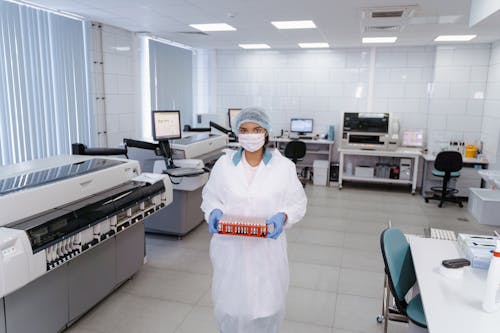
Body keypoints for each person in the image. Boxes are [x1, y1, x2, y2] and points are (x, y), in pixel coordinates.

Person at [201, 107, 307, 333]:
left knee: (266, 308)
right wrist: (213, 211)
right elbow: (211, 197)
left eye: (256, 129)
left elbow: (298, 202)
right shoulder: (224, 165)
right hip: (230, 250)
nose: (250, 135)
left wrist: (283, 215)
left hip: (266, 251)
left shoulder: (283, 167)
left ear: (266, 132)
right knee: (230, 308)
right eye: (244, 130)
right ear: (237, 133)